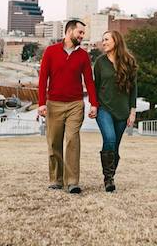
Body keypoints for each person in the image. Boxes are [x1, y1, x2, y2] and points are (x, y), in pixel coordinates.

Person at [38, 20, 98, 194]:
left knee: (72, 140)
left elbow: (89, 81)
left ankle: (72, 181)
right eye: (79, 32)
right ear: (69, 31)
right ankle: (56, 180)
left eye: (83, 33)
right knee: (54, 142)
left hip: (75, 104)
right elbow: (43, 79)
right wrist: (42, 103)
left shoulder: (83, 55)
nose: (82, 36)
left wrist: (94, 104)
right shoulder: (51, 51)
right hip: (54, 104)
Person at [92, 30, 137, 192]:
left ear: (116, 41)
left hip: (123, 110)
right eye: (102, 40)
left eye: (106, 40)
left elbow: (133, 89)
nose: (103, 42)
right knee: (109, 139)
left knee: (115, 147)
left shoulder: (129, 61)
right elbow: (95, 87)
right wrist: (93, 105)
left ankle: (110, 174)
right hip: (104, 108)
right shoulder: (100, 62)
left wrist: (132, 111)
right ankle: (108, 179)